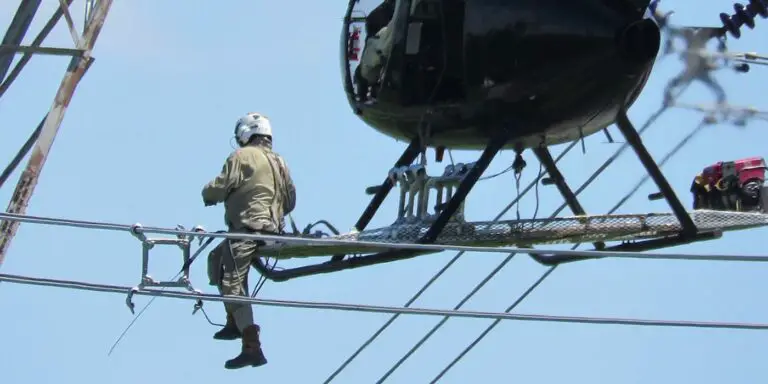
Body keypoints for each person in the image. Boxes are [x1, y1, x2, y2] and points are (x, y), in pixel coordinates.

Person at [201, 112, 297, 369]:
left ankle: (251, 346)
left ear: (245, 133)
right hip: (272, 231)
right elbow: (290, 201)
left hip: (246, 231)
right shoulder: (279, 161)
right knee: (216, 258)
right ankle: (234, 320)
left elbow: (220, 187)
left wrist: (207, 193)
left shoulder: (240, 157)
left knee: (232, 282)